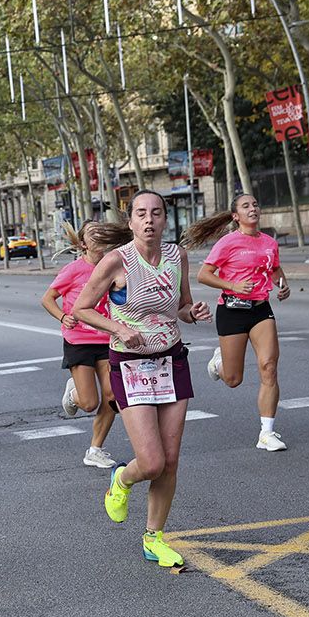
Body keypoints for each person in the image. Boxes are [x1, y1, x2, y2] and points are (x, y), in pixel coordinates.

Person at [71, 191, 211, 569]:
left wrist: (193, 311)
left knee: (171, 460)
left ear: (166, 219)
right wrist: (117, 326)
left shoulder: (176, 256)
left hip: (171, 360)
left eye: (156, 213)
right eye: (140, 214)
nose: (149, 220)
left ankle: (154, 538)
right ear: (130, 221)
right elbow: (81, 308)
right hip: (131, 364)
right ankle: (121, 479)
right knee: (150, 462)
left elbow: (181, 305)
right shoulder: (117, 261)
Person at [187, 194, 291, 452]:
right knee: (233, 379)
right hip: (232, 310)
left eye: (255, 204)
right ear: (236, 216)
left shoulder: (269, 242)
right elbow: (203, 275)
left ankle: (266, 433)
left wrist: (282, 284)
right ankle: (219, 361)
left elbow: (275, 269)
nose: (253, 208)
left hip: (260, 309)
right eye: (246, 206)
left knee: (269, 367)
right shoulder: (228, 242)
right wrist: (232, 285)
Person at [41, 222, 117, 468]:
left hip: (108, 338)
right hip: (79, 340)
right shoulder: (74, 270)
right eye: (93, 234)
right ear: (83, 243)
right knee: (89, 403)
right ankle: (74, 393)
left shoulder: (114, 266)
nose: (99, 236)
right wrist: (63, 317)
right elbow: (48, 298)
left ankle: (95, 449)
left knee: (113, 396)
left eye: (101, 231)